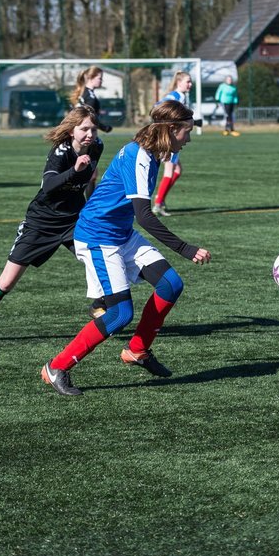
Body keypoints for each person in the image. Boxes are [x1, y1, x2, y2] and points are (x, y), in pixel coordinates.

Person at [41, 99, 211, 397]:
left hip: (120, 233)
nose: (190, 138)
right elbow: (145, 215)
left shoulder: (153, 151)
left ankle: (137, 349)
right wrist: (185, 248)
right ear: (172, 130)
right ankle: (57, 366)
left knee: (171, 284)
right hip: (97, 237)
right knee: (120, 314)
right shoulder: (140, 155)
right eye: (187, 132)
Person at [0, 106, 105, 344]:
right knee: (7, 281)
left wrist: (91, 205)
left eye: (93, 129)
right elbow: (49, 185)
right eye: (84, 129)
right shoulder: (61, 151)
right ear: (71, 130)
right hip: (41, 221)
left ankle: (99, 305)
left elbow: (89, 181)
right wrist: (75, 170)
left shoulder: (97, 146)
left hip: (73, 219)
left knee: (98, 256)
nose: (90, 134)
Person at [151, 71, 197, 216]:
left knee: (177, 171)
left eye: (190, 82)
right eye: (187, 81)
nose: (190, 84)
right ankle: (158, 204)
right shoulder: (174, 97)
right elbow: (157, 108)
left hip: (173, 137)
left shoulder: (181, 97)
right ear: (179, 83)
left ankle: (160, 200)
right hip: (170, 139)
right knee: (170, 171)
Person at [71, 66, 113, 134]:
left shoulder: (83, 92)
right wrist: (104, 128)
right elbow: (88, 117)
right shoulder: (90, 97)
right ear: (91, 78)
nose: (102, 81)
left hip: (78, 130)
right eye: (100, 78)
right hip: (85, 132)